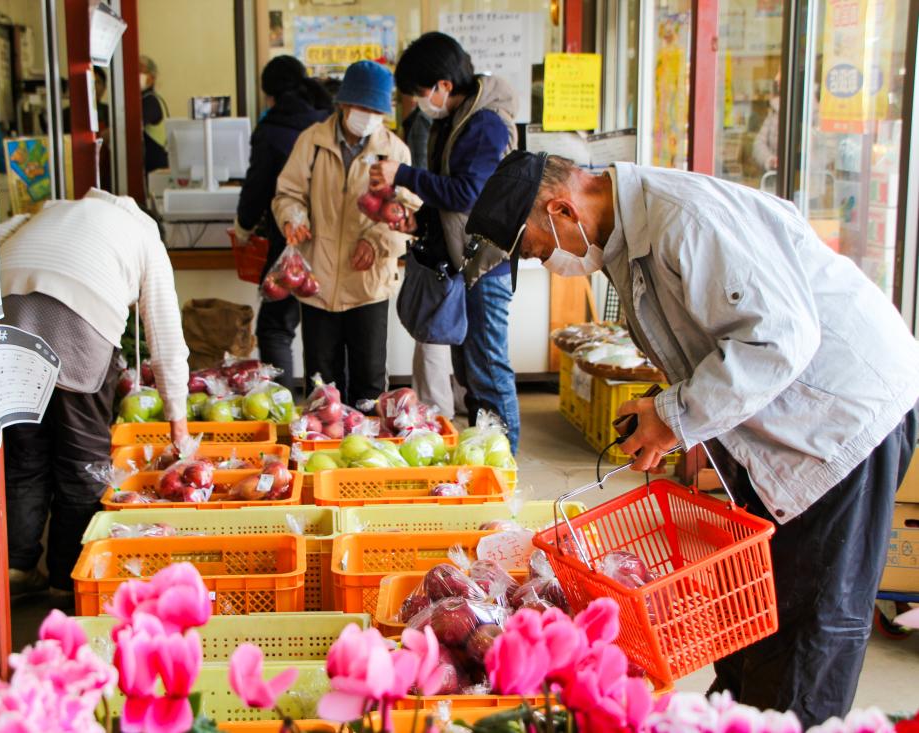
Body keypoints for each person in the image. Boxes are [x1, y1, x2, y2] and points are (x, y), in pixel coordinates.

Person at [465, 150, 919, 726]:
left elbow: (778, 340)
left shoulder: (685, 220)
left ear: (561, 209)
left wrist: (674, 415)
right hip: (787, 418)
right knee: (757, 605)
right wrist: (668, 414)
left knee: (812, 616)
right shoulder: (625, 242)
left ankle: (787, 720)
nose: (544, 262)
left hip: (841, 416)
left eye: (534, 248)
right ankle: (739, 714)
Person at [0, 189, 190, 599]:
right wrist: (178, 422)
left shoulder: (54, 210)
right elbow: (166, 335)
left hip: (6, 306)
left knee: (25, 452)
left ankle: (16, 568)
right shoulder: (144, 236)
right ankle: (67, 581)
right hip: (81, 318)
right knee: (82, 461)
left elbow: (3, 233)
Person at [373, 32, 519, 450]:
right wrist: (419, 221)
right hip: (464, 260)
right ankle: (481, 457)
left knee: (488, 369)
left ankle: (505, 465)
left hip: (486, 264)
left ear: (444, 86)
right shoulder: (454, 121)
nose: (419, 101)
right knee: (470, 370)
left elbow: (468, 194)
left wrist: (402, 175)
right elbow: (450, 204)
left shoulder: (484, 124)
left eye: (420, 92)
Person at [271, 60, 419, 405]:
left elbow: (408, 213)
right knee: (322, 384)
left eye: (375, 110)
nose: (368, 115)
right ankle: (323, 450)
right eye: (362, 107)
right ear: (343, 103)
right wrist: (293, 217)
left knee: (370, 384)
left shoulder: (394, 150)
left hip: (368, 283)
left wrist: (378, 241)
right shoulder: (312, 142)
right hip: (317, 279)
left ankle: (367, 455)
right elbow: (287, 194)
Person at [235, 56, 332, 391]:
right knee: (326, 332)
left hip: (288, 242)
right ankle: (331, 413)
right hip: (332, 244)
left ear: (269, 94)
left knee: (276, 327)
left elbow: (258, 187)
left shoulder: (272, 128)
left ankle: (282, 405)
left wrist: (244, 225)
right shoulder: (328, 121)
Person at [397, 93, 455, 420]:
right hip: (443, 250)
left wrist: (403, 175)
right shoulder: (439, 123)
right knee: (434, 342)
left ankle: (437, 421)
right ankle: (432, 417)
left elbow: (446, 190)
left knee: (433, 341)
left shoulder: (429, 123)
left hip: (445, 257)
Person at [140, 55, 169, 173]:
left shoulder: (150, 101)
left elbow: (130, 128)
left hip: (155, 169)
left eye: (139, 70)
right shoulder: (145, 99)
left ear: (151, 78)